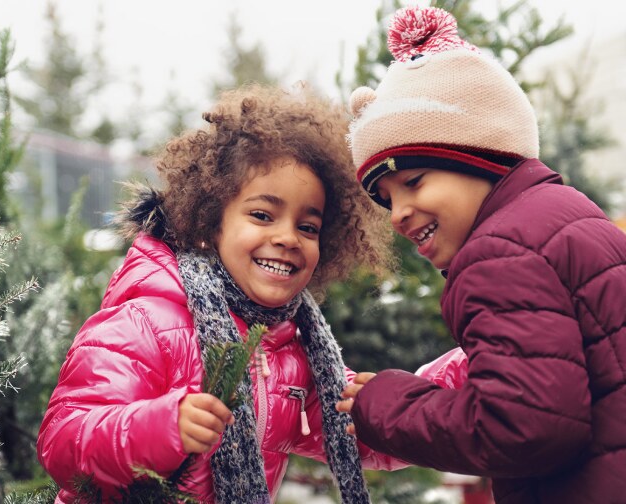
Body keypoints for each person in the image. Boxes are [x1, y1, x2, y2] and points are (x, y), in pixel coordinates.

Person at [37, 84, 463, 503]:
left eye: (307, 227)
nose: (287, 237)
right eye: (263, 215)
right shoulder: (147, 321)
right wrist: (162, 426)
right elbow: (63, 440)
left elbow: (366, 431)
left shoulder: (291, 350)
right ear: (210, 223)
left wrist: (471, 362)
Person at [336, 6, 626, 504]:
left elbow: (524, 428)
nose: (398, 213)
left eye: (413, 182)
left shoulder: (498, 254)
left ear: (479, 157)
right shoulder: (565, 214)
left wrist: (389, 404)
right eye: (387, 198)